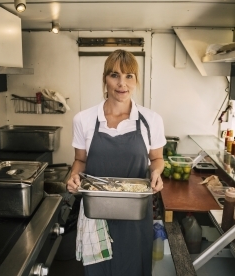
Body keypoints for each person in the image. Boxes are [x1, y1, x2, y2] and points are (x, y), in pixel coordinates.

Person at [67, 49, 166, 276]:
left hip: (135, 217)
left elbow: (157, 159)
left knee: (133, 268)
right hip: (96, 214)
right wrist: (73, 177)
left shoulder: (151, 120)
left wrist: (157, 173)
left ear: (136, 80)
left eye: (129, 76)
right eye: (114, 75)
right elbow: (80, 160)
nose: (122, 84)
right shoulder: (84, 119)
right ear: (105, 79)